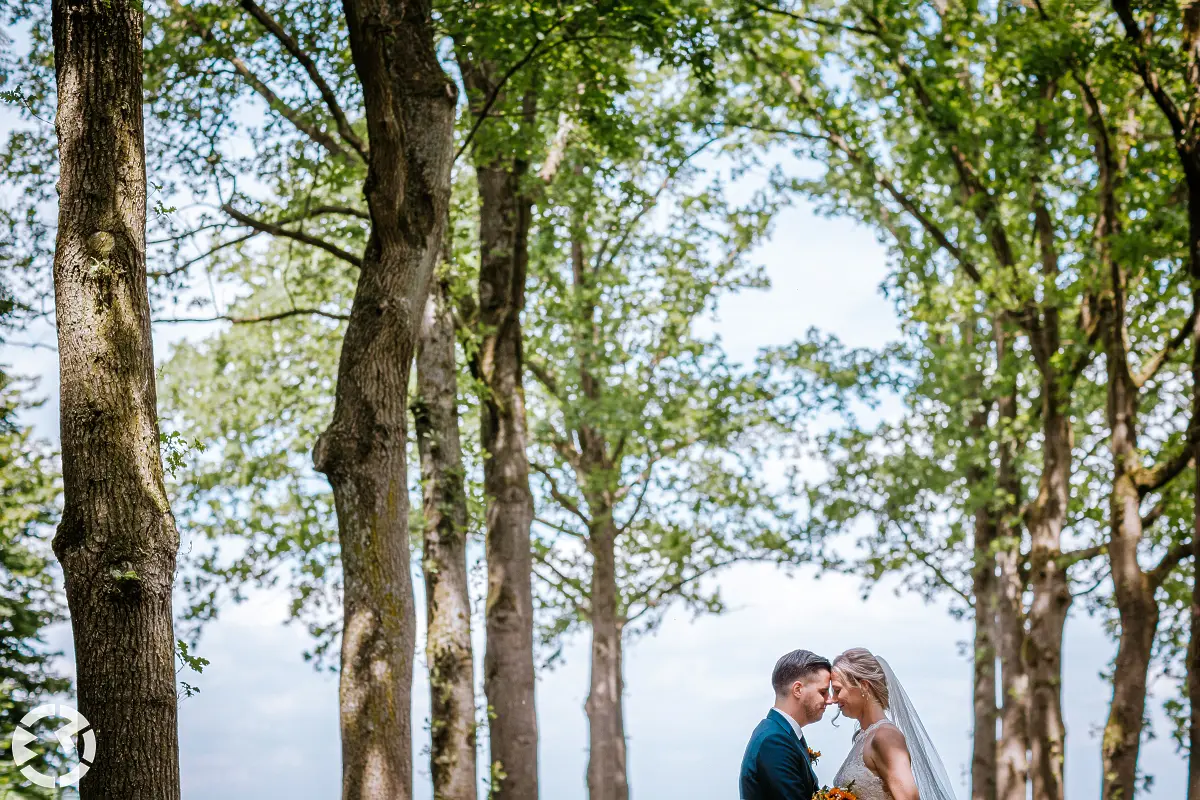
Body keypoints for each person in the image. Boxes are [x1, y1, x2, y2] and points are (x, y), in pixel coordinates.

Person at [830, 648, 958, 800]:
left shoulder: (885, 737)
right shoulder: (863, 737)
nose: (833, 699)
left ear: (864, 685)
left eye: (837, 690)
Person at [740, 649, 831, 800]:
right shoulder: (774, 741)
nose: (829, 700)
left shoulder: (780, 733)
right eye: (823, 692)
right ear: (798, 690)